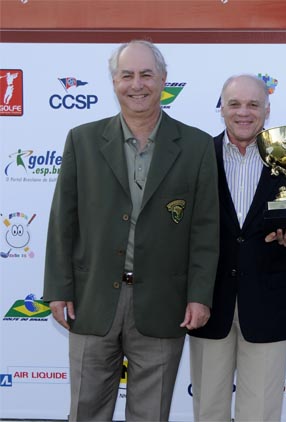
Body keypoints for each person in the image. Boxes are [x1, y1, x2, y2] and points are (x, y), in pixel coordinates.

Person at [43, 40, 220, 421]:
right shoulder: (82, 140)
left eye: (146, 75)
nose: (136, 84)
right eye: (127, 75)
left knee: (150, 414)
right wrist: (58, 290)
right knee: (85, 410)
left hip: (163, 304)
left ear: (163, 80)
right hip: (92, 302)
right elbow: (63, 221)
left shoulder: (197, 146)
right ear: (114, 82)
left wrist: (200, 295)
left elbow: (206, 230)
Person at [188, 74, 286, 422]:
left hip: (267, 302)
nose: (243, 112)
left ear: (267, 111)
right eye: (234, 104)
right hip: (209, 302)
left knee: (262, 414)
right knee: (208, 410)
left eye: (253, 104)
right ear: (221, 108)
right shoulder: (197, 156)